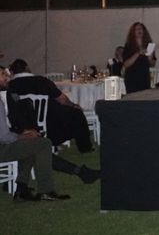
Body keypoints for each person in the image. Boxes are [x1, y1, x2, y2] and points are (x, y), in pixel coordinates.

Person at [0, 66, 98, 198]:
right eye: (2, 74)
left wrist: (25, 133)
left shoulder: (10, 91)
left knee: (32, 142)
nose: (7, 77)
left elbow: (11, 121)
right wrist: (21, 136)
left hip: (7, 139)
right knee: (42, 144)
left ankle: (21, 188)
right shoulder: (37, 83)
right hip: (3, 145)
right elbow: (4, 136)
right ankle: (46, 190)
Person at [7, 59, 93, 153]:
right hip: (51, 120)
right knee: (77, 113)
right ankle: (85, 147)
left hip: (24, 123)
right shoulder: (41, 81)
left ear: (12, 72)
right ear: (27, 68)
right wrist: (73, 105)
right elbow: (62, 99)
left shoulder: (10, 86)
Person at [122, 22, 158, 94]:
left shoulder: (149, 45)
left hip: (144, 77)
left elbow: (153, 64)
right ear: (133, 32)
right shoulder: (128, 46)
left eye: (141, 28)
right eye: (136, 29)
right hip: (132, 78)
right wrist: (138, 53)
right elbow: (126, 64)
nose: (139, 30)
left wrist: (150, 58)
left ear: (144, 31)